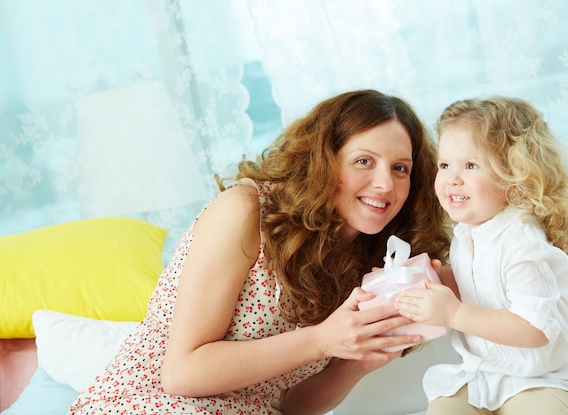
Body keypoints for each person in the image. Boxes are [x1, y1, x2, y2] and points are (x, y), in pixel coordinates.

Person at [68, 89, 451, 415]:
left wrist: (357, 363)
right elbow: (181, 373)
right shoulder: (247, 210)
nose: (385, 183)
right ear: (322, 161)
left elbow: (290, 406)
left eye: (401, 168)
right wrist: (321, 340)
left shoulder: (369, 265)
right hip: (154, 401)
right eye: (363, 161)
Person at [394, 96, 568, 415]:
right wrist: (438, 282)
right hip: (480, 375)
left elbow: (534, 329)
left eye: (470, 165)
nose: (453, 178)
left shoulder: (523, 241)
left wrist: (453, 313)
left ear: (515, 174)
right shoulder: (467, 232)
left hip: (541, 380)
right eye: (445, 165)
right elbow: (480, 292)